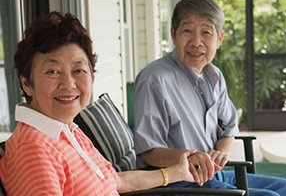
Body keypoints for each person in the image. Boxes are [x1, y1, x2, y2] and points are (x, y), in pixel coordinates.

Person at [0, 11, 195, 196]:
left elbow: (114, 180)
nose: (69, 84)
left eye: (79, 71)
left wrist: (177, 172)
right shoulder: (34, 151)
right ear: (26, 82)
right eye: (53, 71)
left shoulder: (67, 130)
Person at [133, 0, 286, 195]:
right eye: (187, 31)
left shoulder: (214, 76)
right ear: (173, 35)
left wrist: (222, 154)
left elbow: (228, 130)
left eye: (206, 32)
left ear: (219, 39)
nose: (196, 42)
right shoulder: (155, 80)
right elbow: (148, 151)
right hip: (177, 182)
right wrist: (189, 158)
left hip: (211, 175)